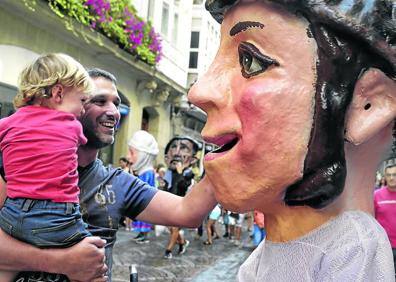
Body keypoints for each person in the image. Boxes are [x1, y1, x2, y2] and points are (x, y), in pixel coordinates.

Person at [188, 0, 396, 280]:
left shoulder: (353, 246)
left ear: (367, 105)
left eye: (251, 61)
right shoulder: (258, 260)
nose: (199, 92)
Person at [0, 68, 217, 282]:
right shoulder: (18, 167)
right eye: (100, 101)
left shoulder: (117, 183)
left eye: (116, 103)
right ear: (70, 107)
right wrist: (61, 261)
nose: (114, 112)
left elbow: (187, 212)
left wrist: (227, 157)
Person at [0, 53, 93, 281]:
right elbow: (79, 152)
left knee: (5, 269)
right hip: (57, 217)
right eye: (82, 101)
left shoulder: (6, 124)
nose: (83, 110)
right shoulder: (71, 125)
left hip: (11, 216)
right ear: (58, 92)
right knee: (93, 261)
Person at [163, 136, 199, 259]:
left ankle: (168, 250)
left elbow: (183, 187)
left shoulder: (189, 174)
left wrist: (180, 172)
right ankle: (182, 243)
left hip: (182, 205)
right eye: (174, 147)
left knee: (174, 229)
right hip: (169, 204)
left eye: (183, 148)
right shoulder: (169, 173)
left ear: (193, 159)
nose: (177, 152)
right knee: (171, 228)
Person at [127, 130, 159, 243]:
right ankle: (141, 234)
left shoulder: (148, 173)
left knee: (144, 221)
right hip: (141, 206)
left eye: (132, 153)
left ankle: (144, 236)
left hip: (145, 206)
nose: (128, 157)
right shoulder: (144, 172)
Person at [374, 163, 396, 277]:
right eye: (389, 175)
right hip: (385, 246)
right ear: (385, 177)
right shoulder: (376, 195)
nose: (392, 178)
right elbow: (372, 219)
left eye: (394, 175)